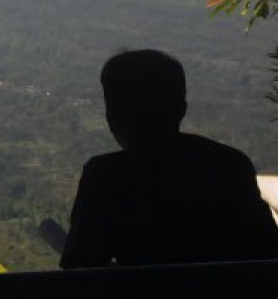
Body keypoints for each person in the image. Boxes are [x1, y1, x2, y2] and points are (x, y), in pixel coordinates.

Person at [61, 49, 278, 269]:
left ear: (112, 117)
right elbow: (267, 250)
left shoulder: (106, 177)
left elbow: (78, 267)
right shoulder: (231, 165)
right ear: (181, 109)